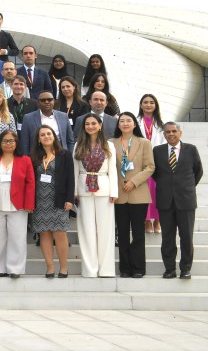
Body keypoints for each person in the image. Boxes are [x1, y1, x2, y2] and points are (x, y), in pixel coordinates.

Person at [152, 122, 203, 279]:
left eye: (174, 131)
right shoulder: (157, 151)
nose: (171, 134)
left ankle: (185, 269)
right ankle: (169, 269)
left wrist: (185, 187)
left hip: (185, 200)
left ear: (180, 133)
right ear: (164, 135)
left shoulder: (191, 149)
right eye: (168, 132)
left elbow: (198, 171)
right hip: (165, 200)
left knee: (186, 236)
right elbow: (155, 173)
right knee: (167, 237)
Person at [0, 130, 35, 278]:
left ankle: (15, 269)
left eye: (12, 141)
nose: (8, 143)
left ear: (17, 143)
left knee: (17, 237)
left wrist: (29, 204)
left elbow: (30, 183)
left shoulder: (25, 160)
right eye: (5, 141)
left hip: (18, 203)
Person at [74, 114, 118, 278]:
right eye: (87, 124)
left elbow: (112, 170)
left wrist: (114, 191)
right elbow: (75, 169)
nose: (90, 126)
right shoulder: (79, 145)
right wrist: (75, 192)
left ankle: (106, 269)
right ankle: (89, 269)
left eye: (94, 123)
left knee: (105, 230)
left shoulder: (109, 145)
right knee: (86, 230)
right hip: (83, 188)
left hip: (104, 189)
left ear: (100, 125)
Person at [112, 112, 156, 278]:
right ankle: (124, 268)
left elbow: (150, 167)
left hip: (138, 193)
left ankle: (138, 268)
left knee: (138, 233)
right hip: (118, 194)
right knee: (122, 233)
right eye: (121, 121)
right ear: (118, 125)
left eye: (128, 120)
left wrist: (133, 182)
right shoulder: (111, 143)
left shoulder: (144, 143)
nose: (125, 123)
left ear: (135, 124)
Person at [30, 125, 75, 278]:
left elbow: (71, 178)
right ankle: (50, 267)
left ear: (54, 136)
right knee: (44, 233)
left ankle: (64, 268)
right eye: (42, 134)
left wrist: (70, 199)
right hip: (40, 201)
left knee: (60, 233)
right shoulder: (34, 157)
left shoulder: (64, 155)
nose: (46, 136)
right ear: (38, 139)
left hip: (59, 199)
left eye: (49, 133)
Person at [138, 94, 166, 234]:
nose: (148, 105)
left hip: (157, 162)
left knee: (157, 192)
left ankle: (158, 220)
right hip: (141, 162)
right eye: (145, 102)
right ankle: (147, 221)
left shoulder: (161, 123)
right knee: (145, 192)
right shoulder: (136, 121)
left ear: (155, 105)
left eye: (151, 102)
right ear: (141, 105)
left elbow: (165, 142)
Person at [19, 91, 75, 156]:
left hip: (61, 155)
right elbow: (24, 143)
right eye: (43, 100)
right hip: (37, 157)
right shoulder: (28, 118)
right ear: (38, 103)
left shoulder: (63, 116)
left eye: (49, 99)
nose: (46, 102)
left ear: (54, 101)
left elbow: (70, 140)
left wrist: (69, 156)